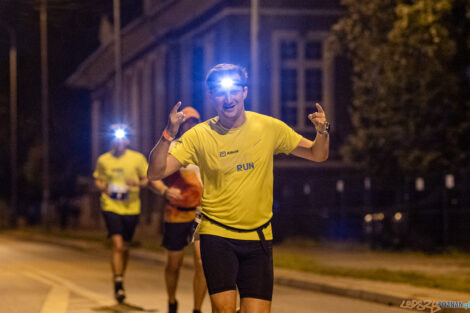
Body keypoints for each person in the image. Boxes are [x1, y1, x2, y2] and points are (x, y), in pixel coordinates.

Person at [148, 64, 329, 313]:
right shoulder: (199, 135)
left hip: (259, 236)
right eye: (220, 93)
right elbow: (156, 172)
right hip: (217, 234)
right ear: (212, 96)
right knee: (224, 310)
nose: (228, 98)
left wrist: (322, 131)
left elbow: (317, 154)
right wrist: (168, 134)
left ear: (245, 92)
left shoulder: (269, 127)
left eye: (234, 91)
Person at [149, 107, 207, 313]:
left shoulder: (207, 147)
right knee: (174, 264)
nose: (192, 124)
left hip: (201, 212)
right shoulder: (174, 147)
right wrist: (165, 191)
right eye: (188, 121)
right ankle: (172, 302)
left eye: (196, 121)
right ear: (182, 124)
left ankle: (197, 309)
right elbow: (152, 178)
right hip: (176, 212)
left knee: (202, 262)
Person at [93, 125, 149, 303]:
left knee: (125, 246)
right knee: (117, 244)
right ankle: (118, 283)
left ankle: (120, 278)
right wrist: (103, 188)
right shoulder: (104, 160)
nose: (119, 142)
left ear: (127, 140)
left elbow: (147, 179)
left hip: (131, 207)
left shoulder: (137, 158)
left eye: (122, 138)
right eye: (115, 138)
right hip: (111, 205)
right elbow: (98, 179)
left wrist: (138, 183)